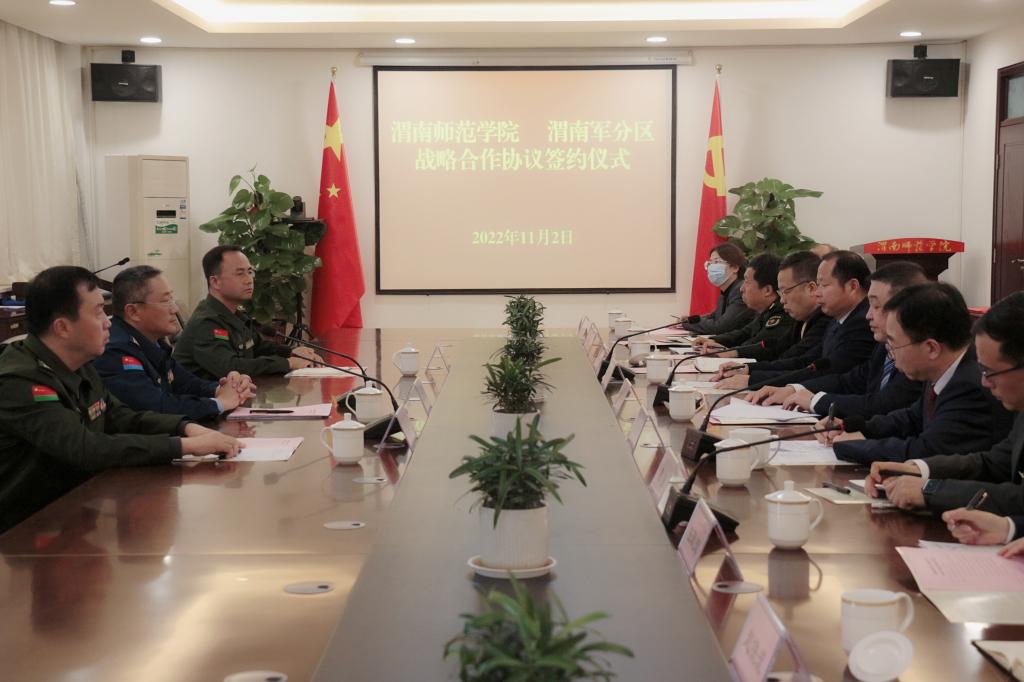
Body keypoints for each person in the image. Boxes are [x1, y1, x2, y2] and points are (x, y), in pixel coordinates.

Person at [0, 266, 241, 533]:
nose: (108, 322)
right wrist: (184, 446)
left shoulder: (78, 363)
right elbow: (85, 448)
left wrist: (185, 426)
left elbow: (120, 416)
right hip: (21, 530)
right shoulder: (19, 381)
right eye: (98, 312)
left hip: (72, 511)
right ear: (63, 327)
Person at [865, 292, 1024, 519]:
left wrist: (931, 491)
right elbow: (993, 463)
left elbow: (1018, 498)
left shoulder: (970, 385)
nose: (984, 382)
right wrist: (918, 469)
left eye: (990, 372)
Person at [818, 282, 1014, 465]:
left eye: (893, 344)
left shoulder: (970, 385)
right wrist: (851, 427)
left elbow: (926, 450)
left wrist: (851, 446)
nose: (891, 354)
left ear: (931, 348)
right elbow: (911, 418)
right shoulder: (941, 370)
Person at [748, 261, 927, 417]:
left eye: (876, 306)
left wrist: (815, 401)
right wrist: (794, 389)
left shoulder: (916, 350)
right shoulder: (880, 343)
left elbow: (885, 404)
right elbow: (851, 380)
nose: (868, 315)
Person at [94, 265, 257, 419]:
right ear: (133, 311)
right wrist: (219, 404)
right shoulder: (116, 350)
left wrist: (226, 388)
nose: (175, 309)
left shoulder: (154, 342)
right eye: (166, 301)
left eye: (172, 299)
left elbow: (187, 384)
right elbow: (156, 406)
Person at [715, 250, 875, 389]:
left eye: (824, 285)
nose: (817, 293)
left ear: (852, 286)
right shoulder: (836, 319)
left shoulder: (861, 324)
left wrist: (754, 379)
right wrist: (748, 369)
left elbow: (829, 374)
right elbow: (806, 361)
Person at [173, 245, 323, 381]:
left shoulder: (234, 314)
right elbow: (231, 368)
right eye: (240, 274)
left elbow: (256, 347)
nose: (249, 280)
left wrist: (291, 352)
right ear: (215, 282)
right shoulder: (206, 322)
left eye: (250, 272)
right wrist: (288, 363)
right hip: (202, 400)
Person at [690, 253, 795, 361]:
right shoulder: (766, 311)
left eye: (747, 282)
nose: (741, 288)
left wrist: (729, 352)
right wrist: (715, 340)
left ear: (767, 290)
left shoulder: (782, 313)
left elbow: (759, 346)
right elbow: (745, 333)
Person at [680, 243, 754, 336]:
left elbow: (720, 327)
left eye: (716, 262)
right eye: (710, 263)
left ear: (735, 267)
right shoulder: (726, 291)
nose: (711, 266)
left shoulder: (741, 291)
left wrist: (686, 324)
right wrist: (689, 319)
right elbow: (714, 316)